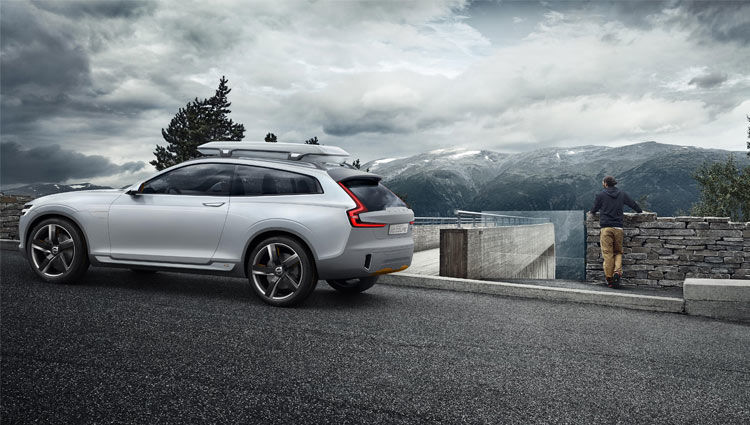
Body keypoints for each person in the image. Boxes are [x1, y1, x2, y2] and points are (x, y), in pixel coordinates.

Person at [589, 176, 642, 288]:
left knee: (608, 253)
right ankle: (617, 272)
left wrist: (592, 212)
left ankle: (610, 279)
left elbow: (594, 209)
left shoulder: (601, 195)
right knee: (618, 252)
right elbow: (633, 204)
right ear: (614, 183)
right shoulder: (622, 193)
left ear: (605, 183)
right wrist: (640, 211)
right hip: (618, 228)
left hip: (606, 228)